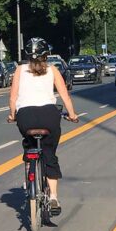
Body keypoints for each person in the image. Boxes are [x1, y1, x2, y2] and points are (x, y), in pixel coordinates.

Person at [7, 37, 78, 215]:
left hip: (26, 117)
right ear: (47, 55)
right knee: (49, 153)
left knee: (29, 144)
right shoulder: (53, 70)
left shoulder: (20, 70)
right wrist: (72, 114)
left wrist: (12, 115)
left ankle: (29, 176)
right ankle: (53, 197)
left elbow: (13, 97)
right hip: (49, 115)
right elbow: (64, 96)